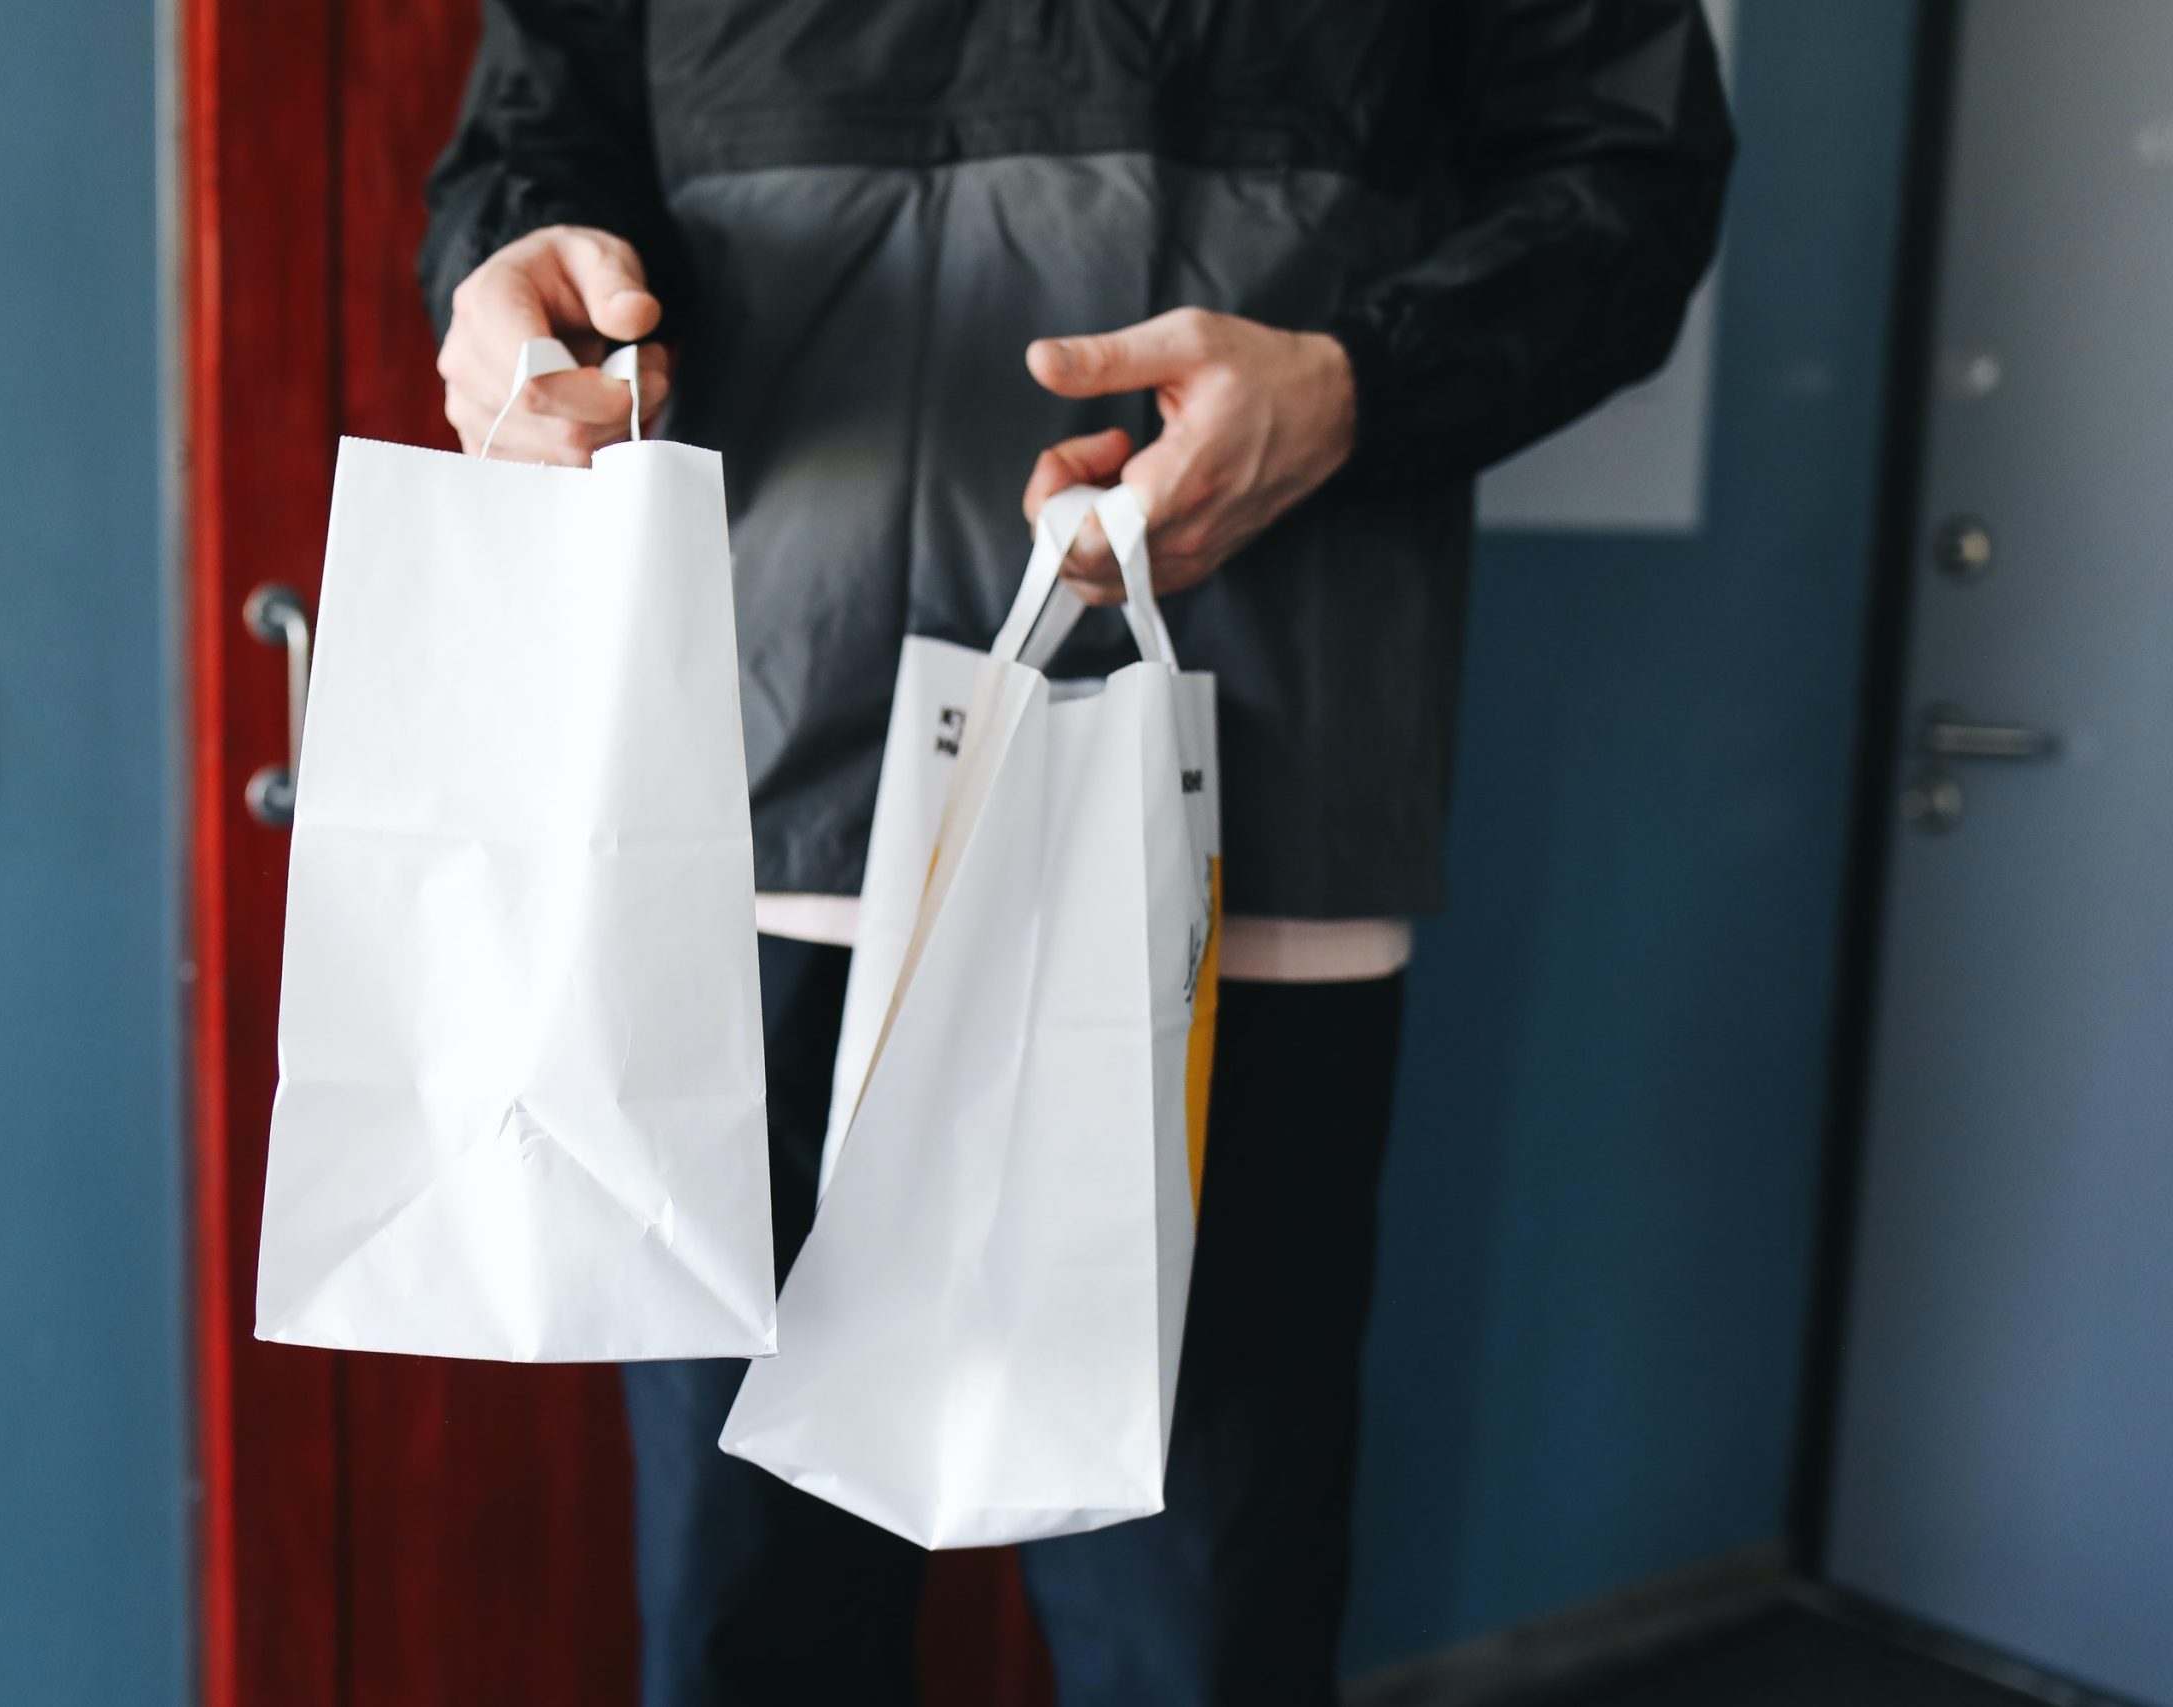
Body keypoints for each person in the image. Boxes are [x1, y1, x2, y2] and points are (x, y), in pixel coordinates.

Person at [420, 3, 1732, 1702]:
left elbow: (1628, 167)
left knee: (1198, 1628)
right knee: (747, 1616)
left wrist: (1355, 386)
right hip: (744, 829)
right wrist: (517, 284)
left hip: (1220, 846)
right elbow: (545, 135)